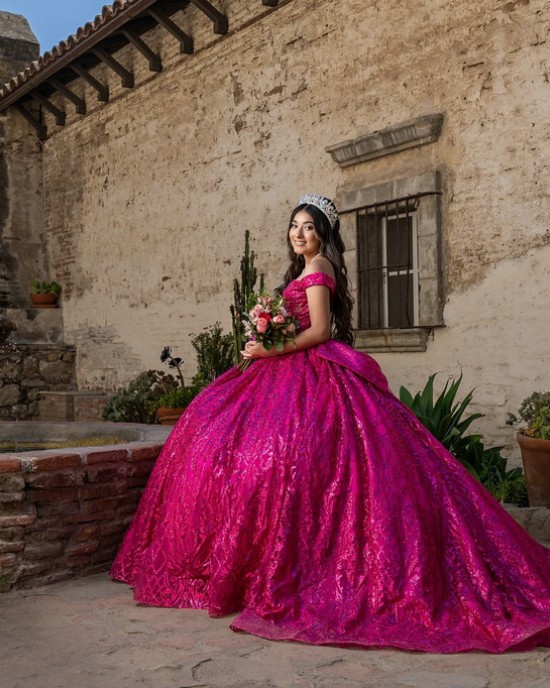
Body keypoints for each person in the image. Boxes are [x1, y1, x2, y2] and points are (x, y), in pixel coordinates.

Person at [111, 194, 550, 653]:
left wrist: (270, 348)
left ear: (323, 232)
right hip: (281, 368)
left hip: (310, 368)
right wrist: (265, 337)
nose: (299, 234)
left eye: (308, 227)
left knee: (302, 460)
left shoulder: (319, 268)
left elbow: (319, 331)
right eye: (294, 226)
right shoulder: (302, 270)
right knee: (213, 426)